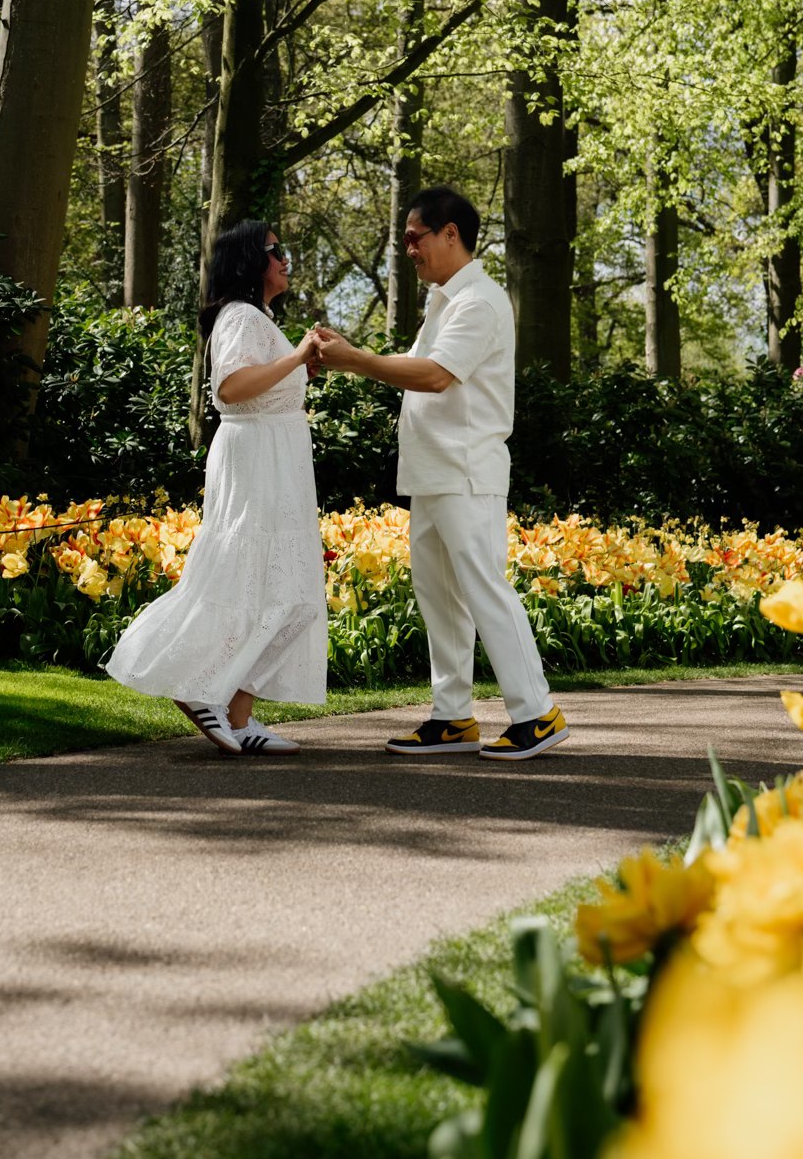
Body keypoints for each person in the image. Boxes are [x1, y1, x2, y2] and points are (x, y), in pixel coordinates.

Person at [316, 186, 567, 762]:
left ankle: (537, 713)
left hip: (466, 469)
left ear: (450, 233)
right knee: (439, 598)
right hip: (433, 472)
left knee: (484, 591)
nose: (408, 248)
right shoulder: (444, 300)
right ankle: (453, 718)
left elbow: (434, 376)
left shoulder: (478, 300)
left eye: (415, 237)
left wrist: (355, 360)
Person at [105, 220, 327, 756]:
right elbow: (230, 388)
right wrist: (297, 357)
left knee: (290, 594)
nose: (285, 259)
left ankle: (240, 716)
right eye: (276, 251)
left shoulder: (261, 319)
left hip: (280, 465)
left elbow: (263, 385)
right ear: (249, 262)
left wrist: (301, 367)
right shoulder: (240, 315)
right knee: (244, 581)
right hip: (255, 466)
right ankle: (199, 688)